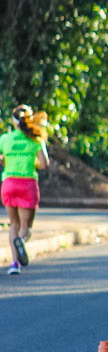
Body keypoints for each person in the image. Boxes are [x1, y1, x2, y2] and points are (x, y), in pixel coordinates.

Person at [1, 108, 49, 275]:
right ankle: (21, 241)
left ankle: (15, 264)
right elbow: (44, 164)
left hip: (8, 183)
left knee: (13, 224)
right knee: (26, 227)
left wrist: (7, 160)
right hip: (27, 184)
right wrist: (31, 162)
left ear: (13, 121)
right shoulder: (36, 139)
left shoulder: (5, 139)